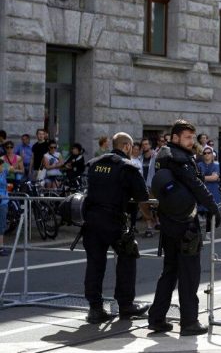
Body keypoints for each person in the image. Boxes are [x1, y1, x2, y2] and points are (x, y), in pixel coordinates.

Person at [148, 119, 221, 335]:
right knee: (189, 273)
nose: (191, 142)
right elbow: (196, 185)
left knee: (169, 271)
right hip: (185, 224)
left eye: (192, 137)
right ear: (175, 137)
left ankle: (156, 317)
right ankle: (189, 322)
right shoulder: (180, 159)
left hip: (169, 221)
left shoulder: (163, 155)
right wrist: (213, 208)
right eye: (187, 137)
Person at [82, 132, 150, 324]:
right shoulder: (127, 167)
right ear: (127, 146)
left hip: (91, 221)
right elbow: (143, 195)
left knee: (95, 263)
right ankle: (126, 305)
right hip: (113, 220)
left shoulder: (95, 163)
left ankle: (95, 308)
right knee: (128, 256)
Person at [139, 138, 158, 238]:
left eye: (146, 144)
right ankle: (149, 226)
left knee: (156, 205)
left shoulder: (156, 156)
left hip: (153, 185)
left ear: (150, 145)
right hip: (143, 186)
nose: (145, 146)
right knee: (143, 206)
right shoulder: (140, 158)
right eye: (143, 144)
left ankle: (158, 221)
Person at [0, 161, 9, 256]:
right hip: (1, 201)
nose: (2, 166)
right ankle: (1, 248)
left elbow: (10, 167)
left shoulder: (4, 172)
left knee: (2, 224)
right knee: (1, 224)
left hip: (4, 200)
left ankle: (1, 246)